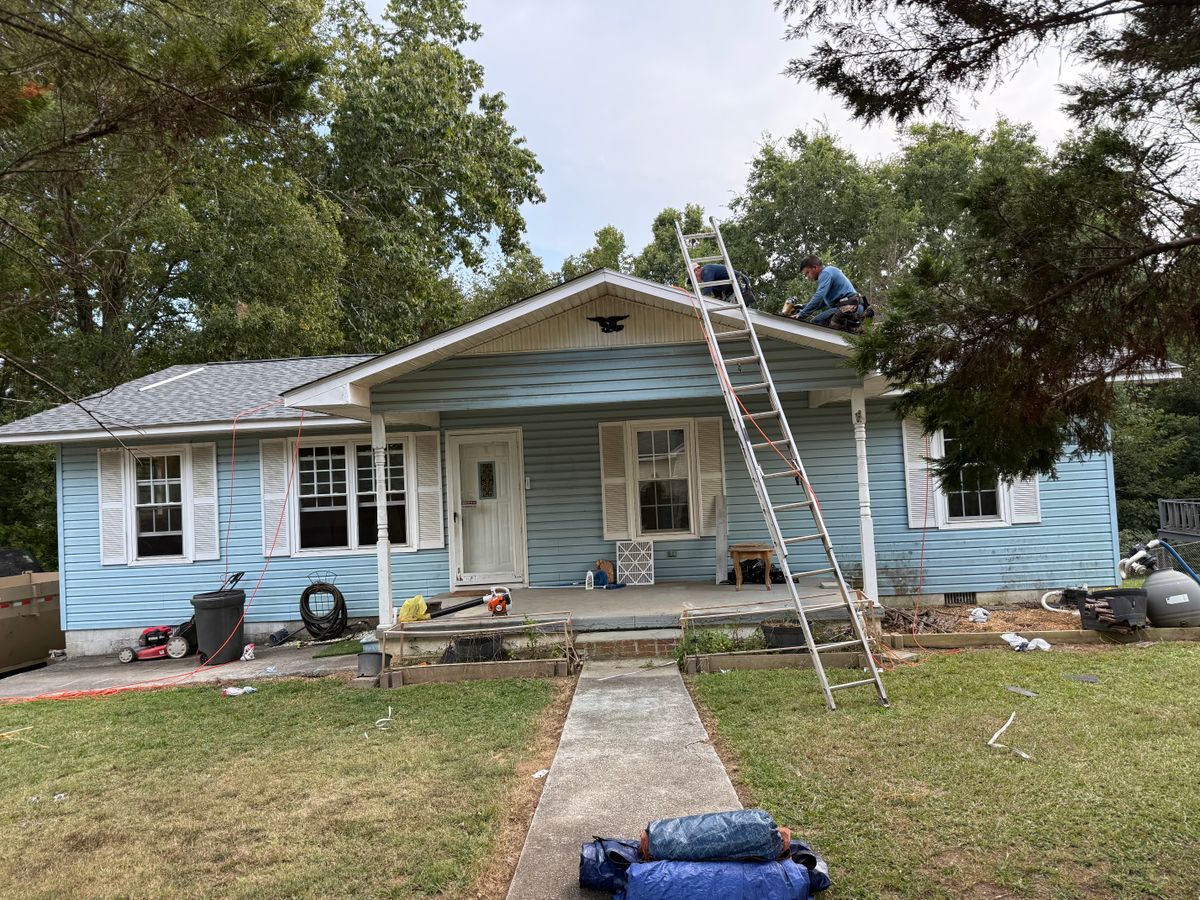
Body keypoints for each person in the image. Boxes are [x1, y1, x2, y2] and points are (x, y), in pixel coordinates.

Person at [790, 255, 864, 328]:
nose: (807, 277)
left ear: (815, 267)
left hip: (850, 307)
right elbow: (822, 302)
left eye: (807, 273)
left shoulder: (825, 273)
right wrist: (803, 306)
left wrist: (801, 314)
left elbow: (819, 296)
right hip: (852, 307)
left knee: (816, 323)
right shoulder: (829, 272)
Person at [692, 263, 757, 308]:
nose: (695, 280)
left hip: (739, 283)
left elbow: (708, 287)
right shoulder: (712, 279)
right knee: (730, 307)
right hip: (732, 289)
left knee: (736, 308)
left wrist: (702, 301)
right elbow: (718, 295)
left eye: (693, 277)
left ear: (697, 270)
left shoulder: (706, 270)